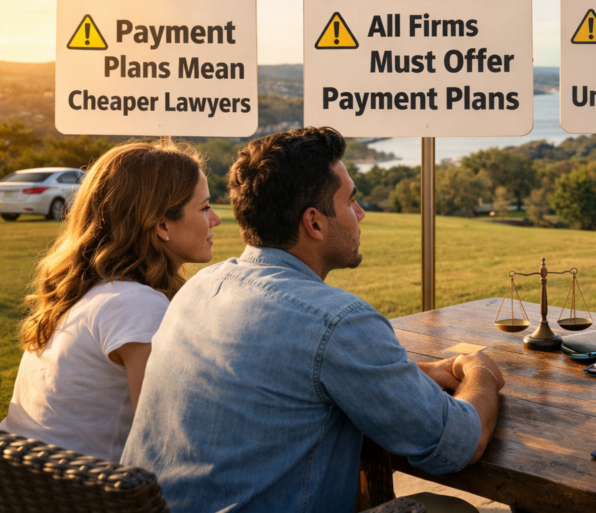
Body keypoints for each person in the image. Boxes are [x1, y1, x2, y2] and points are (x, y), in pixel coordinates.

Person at [122, 127, 504, 512]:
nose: (361, 213)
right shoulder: (337, 321)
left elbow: (284, 370)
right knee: (448, 509)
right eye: (351, 200)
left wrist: (412, 372)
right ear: (314, 223)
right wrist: (481, 373)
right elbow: (459, 442)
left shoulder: (201, 287)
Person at [0, 140, 221, 462]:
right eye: (204, 207)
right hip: (91, 496)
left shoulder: (91, 291)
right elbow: (169, 440)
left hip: (32, 489)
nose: (214, 219)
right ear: (161, 224)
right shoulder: (134, 305)